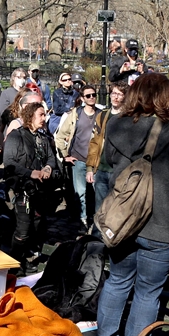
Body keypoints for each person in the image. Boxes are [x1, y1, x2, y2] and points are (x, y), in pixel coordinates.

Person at [94, 73, 169, 336]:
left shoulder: (115, 125)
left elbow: (111, 163)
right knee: (148, 292)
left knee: (117, 281)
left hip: (122, 220)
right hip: (163, 224)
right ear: (167, 98)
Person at [4, 102, 62, 270]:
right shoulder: (16, 136)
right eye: (41, 115)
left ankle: (30, 255)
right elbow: (9, 163)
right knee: (23, 230)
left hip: (40, 190)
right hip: (21, 189)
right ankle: (14, 264)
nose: (44, 118)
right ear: (30, 116)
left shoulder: (43, 137)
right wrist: (31, 173)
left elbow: (50, 157)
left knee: (37, 224)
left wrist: (47, 168)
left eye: (45, 115)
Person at [55, 84, 99, 229]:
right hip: (78, 159)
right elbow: (60, 136)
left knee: (97, 192)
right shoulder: (76, 114)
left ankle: (97, 220)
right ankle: (82, 219)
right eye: (88, 95)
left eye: (93, 95)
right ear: (82, 98)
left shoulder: (101, 114)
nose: (91, 98)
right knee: (80, 193)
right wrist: (65, 155)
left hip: (96, 160)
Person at [87, 81, 127, 214]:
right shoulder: (103, 115)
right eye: (114, 93)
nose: (115, 97)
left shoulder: (129, 117)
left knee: (116, 210)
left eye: (120, 94)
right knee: (100, 209)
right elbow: (94, 142)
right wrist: (90, 168)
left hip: (119, 170)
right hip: (102, 168)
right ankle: (98, 228)